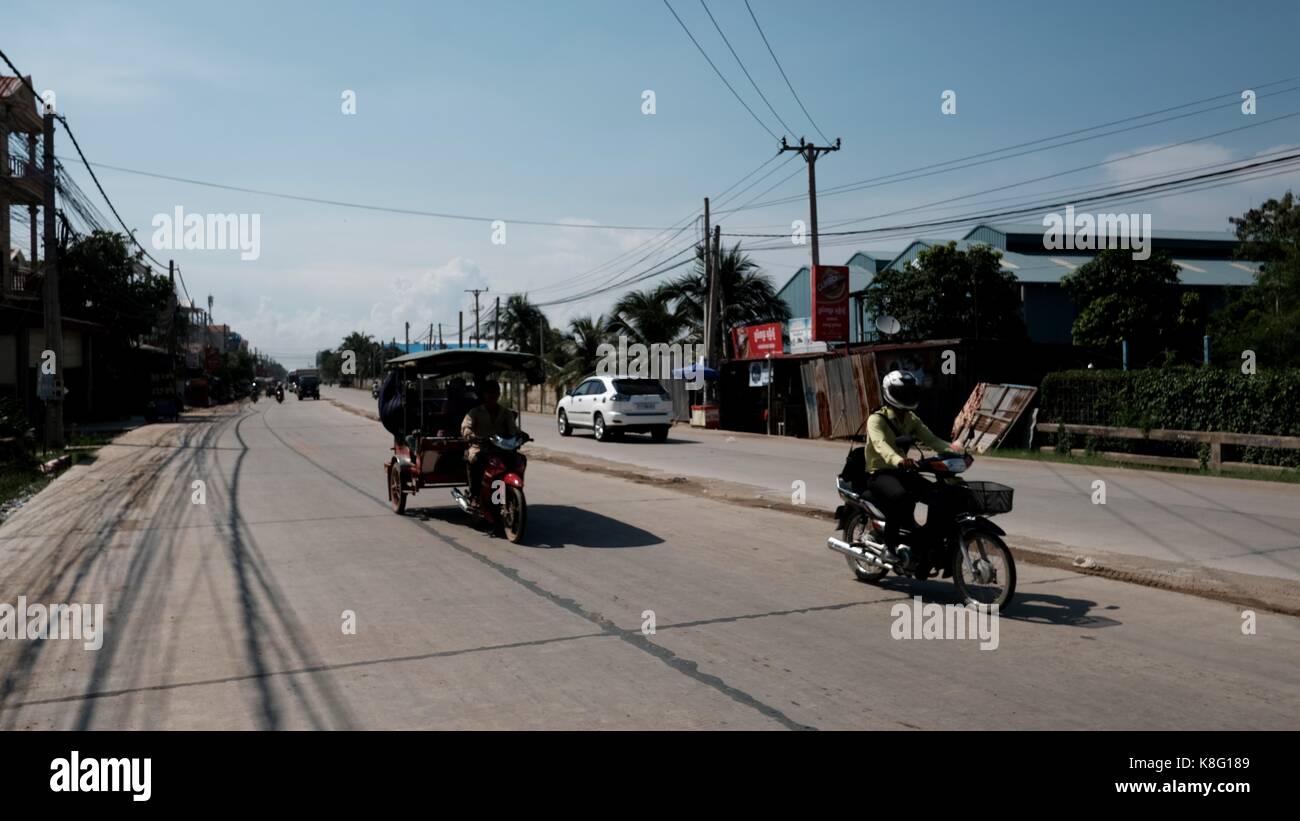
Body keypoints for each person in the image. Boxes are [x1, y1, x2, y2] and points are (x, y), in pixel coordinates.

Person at [853, 369, 964, 565]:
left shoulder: (911, 419)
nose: (907, 397)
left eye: (910, 392)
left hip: (903, 471)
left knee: (938, 495)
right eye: (902, 393)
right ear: (890, 393)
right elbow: (881, 446)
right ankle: (889, 546)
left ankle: (926, 542)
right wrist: (898, 460)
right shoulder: (876, 419)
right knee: (901, 497)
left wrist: (955, 450)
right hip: (880, 473)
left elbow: (931, 440)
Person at [460, 379, 519, 503]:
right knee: (476, 461)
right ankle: (475, 495)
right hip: (480, 447)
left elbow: (513, 429)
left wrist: (520, 435)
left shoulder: (505, 413)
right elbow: (466, 426)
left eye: (495, 392)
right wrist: (471, 435)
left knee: (519, 459)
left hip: (501, 448)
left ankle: (510, 490)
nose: (492, 395)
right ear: (484, 394)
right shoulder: (475, 412)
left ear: (499, 394)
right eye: (489, 392)